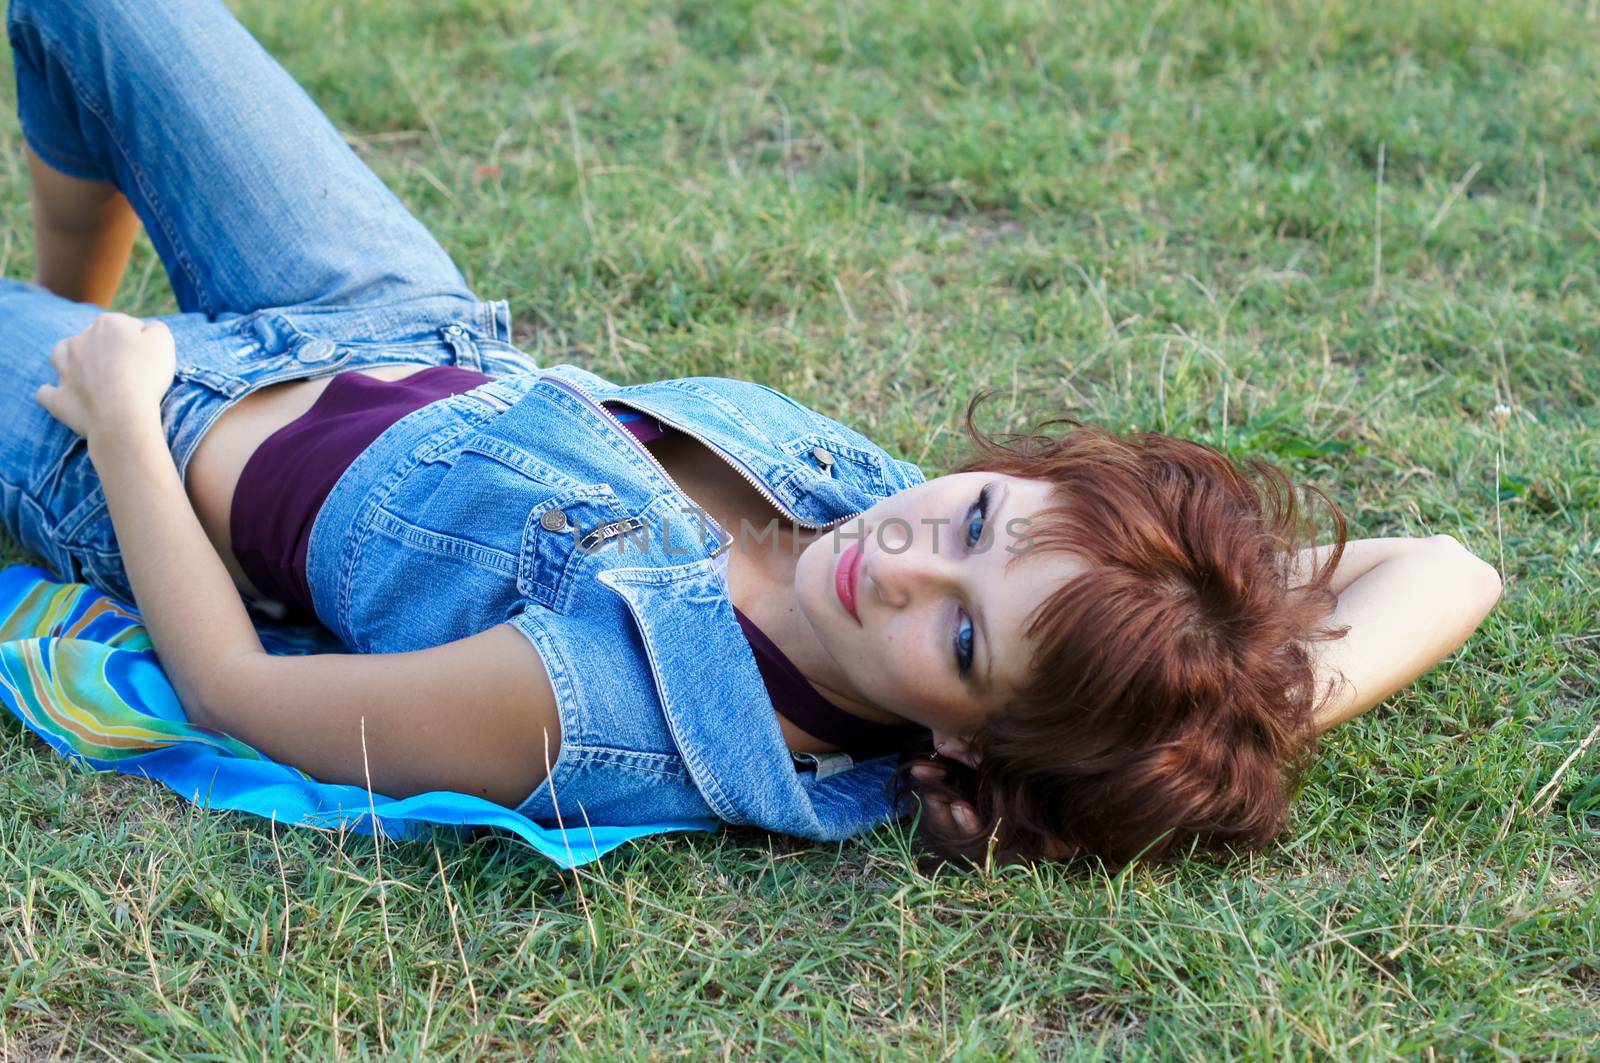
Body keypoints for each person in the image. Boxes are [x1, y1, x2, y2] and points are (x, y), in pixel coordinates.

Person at [1, 0, 1502, 866]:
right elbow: (1449, 566)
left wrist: (124, 418)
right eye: (976, 524)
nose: (904, 567)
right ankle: (69, 309)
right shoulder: (1048, 609)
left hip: (171, 446)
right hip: (395, 324)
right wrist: (1221, 714)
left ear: (971, 738)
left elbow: (241, 694)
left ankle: (50, 385)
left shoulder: (621, 709)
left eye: (965, 642)